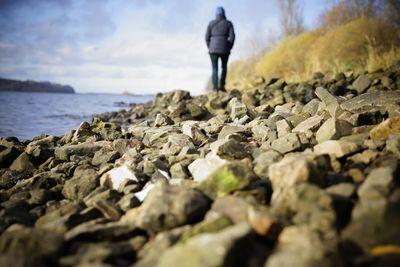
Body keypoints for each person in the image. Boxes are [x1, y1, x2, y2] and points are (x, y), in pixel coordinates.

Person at [205, 6, 235, 92]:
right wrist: (229, 46)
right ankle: (222, 86)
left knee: (214, 68)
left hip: (213, 49)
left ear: (216, 14)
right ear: (224, 14)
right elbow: (232, 37)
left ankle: (215, 88)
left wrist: (210, 46)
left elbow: (206, 37)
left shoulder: (211, 23)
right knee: (224, 67)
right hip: (225, 48)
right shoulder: (228, 23)